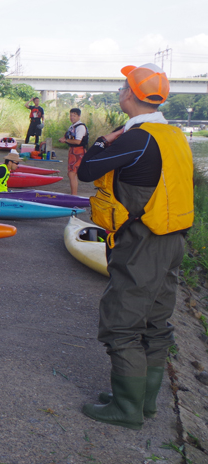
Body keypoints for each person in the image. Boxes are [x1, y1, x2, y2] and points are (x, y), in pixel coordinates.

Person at [77, 63, 191, 430]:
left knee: (122, 323)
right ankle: (143, 401)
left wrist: (102, 140)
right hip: (172, 240)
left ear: (130, 94)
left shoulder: (136, 138)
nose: (121, 92)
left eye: (123, 87)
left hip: (143, 242)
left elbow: (86, 170)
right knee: (156, 322)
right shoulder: (173, 135)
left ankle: (126, 409)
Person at [59, 108, 88, 196]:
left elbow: (77, 141)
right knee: (71, 173)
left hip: (78, 151)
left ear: (79, 116)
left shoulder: (80, 127)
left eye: (74, 115)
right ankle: (73, 194)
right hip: (73, 151)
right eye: (71, 115)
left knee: (72, 173)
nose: (72, 117)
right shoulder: (72, 126)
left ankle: (74, 195)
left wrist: (66, 140)